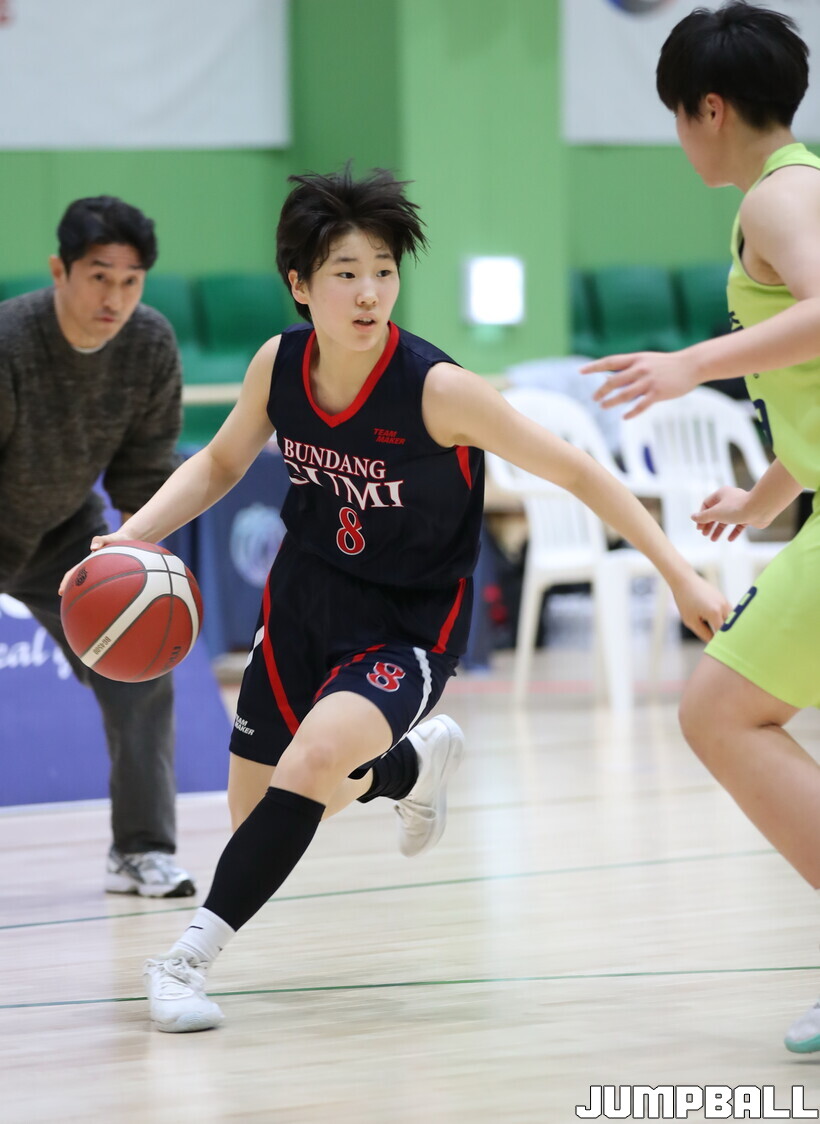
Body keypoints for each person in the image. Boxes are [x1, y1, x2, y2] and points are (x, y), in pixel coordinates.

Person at [80, 166, 728, 1033]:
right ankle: (407, 770)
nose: (369, 292)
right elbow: (221, 462)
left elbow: (577, 469)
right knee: (260, 814)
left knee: (310, 766)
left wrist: (678, 571)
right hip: (304, 599)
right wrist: (133, 536)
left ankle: (182, 960)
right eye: (345, 272)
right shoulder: (279, 364)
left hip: (408, 621)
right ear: (300, 284)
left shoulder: (437, 389)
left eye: (383, 270)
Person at [582, 1, 820, 1055]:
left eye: (677, 116)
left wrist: (689, 364)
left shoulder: (779, 197)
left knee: (720, 712)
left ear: (709, 109)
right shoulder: (797, 188)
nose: (679, 137)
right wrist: (765, 497)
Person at [0, 195, 195, 898]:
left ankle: (141, 849)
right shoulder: (9, 341)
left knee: (139, 669)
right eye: (99, 276)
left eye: (131, 280)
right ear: (60, 270)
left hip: (64, 530)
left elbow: (145, 473)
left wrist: (136, 567)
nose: (115, 297)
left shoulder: (150, 345)